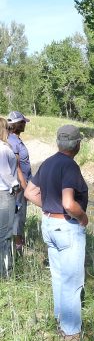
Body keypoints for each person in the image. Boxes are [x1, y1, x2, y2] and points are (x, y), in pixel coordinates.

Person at [25, 125, 88, 341]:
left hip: (49, 224)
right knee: (72, 280)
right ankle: (71, 333)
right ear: (77, 144)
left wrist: (49, 207)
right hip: (67, 227)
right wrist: (82, 217)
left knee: (59, 276)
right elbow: (69, 203)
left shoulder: (49, 163)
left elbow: (29, 192)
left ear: (59, 143)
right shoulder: (69, 166)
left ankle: (61, 320)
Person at [7, 111, 32, 255]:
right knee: (18, 215)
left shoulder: (15, 139)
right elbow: (17, 167)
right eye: (23, 122)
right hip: (20, 185)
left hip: (23, 183)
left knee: (19, 214)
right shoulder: (13, 141)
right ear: (17, 124)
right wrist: (25, 186)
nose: (25, 124)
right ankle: (18, 248)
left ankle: (17, 244)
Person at [0, 117, 19, 278]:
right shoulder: (2, 149)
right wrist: (15, 185)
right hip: (5, 194)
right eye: (8, 128)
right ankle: (6, 273)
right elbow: (4, 171)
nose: (10, 131)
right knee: (5, 235)